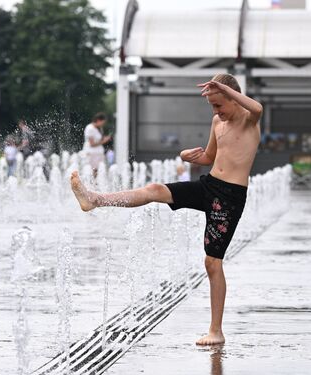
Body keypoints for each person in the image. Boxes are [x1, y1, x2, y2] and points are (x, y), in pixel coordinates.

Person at [71, 73, 262, 346]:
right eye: (212, 106)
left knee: (212, 262)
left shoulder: (248, 118)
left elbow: (258, 108)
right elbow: (209, 156)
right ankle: (94, 200)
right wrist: (187, 156)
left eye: (220, 104)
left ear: (233, 97)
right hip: (209, 185)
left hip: (230, 197)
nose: (216, 111)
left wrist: (225, 89)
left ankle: (216, 330)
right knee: (154, 190)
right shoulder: (217, 122)